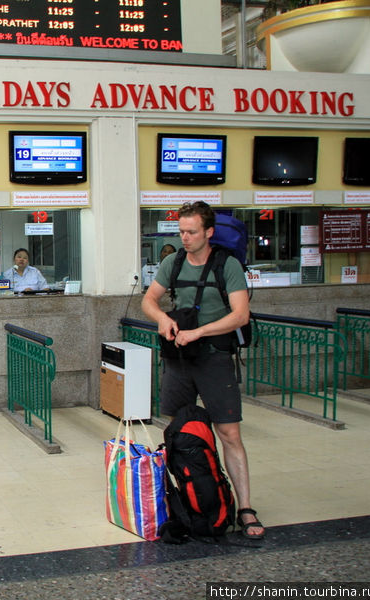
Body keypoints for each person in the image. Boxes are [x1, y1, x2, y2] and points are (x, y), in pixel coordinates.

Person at [141, 201, 264, 540]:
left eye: (191, 231)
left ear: (209, 232)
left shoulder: (228, 265)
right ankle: (183, 499)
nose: (185, 237)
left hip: (214, 358)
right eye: (181, 231)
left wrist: (200, 332)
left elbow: (240, 315)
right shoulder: (173, 262)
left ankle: (245, 508)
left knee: (229, 434)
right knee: (175, 431)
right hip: (179, 359)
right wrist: (163, 318)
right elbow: (148, 300)